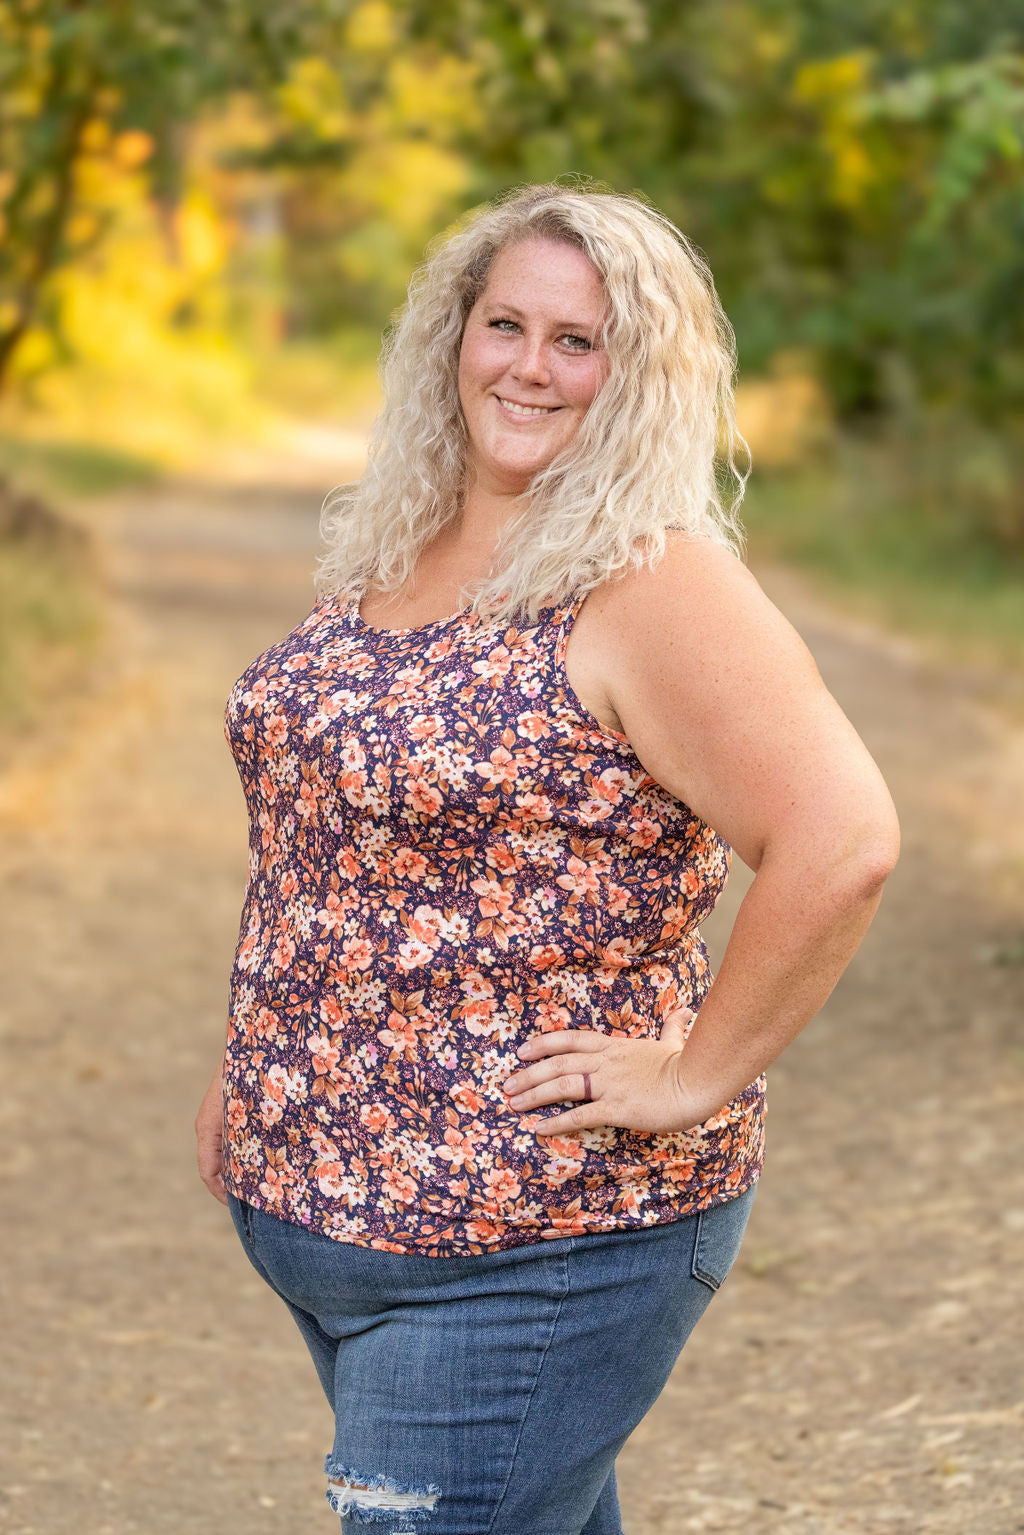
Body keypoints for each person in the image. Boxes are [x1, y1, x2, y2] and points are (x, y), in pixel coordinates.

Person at [195, 182, 900, 1535]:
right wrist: (256, 1071)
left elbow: (844, 837)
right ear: (450, 335)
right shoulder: (401, 545)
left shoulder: (652, 581)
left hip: (537, 1238)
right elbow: (322, 849)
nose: (528, 365)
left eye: (577, 341)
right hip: (327, 1213)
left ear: (640, 376)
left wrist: (701, 1071)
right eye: (503, 322)